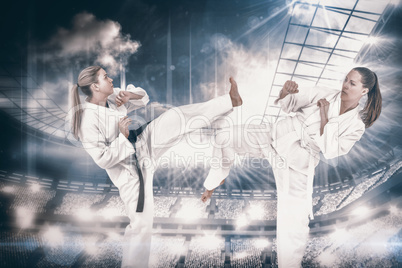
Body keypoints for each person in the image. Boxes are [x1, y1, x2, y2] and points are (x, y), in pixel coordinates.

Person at [200, 67, 381, 267]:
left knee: (294, 221)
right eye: (346, 79)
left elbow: (330, 150)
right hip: (276, 134)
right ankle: (214, 180)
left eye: (352, 83)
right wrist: (287, 92)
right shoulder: (325, 93)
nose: (345, 85)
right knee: (224, 137)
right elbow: (290, 105)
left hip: (299, 160)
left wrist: (324, 115)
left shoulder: (356, 125)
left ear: (364, 91)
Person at [68, 66, 243, 268]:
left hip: (142, 142)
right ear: (95, 86)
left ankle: (230, 100)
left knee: (176, 117)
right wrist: (122, 137)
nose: (111, 79)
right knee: (141, 226)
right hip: (130, 172)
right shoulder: (87, 121)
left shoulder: (111, 97)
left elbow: (143, 97)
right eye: (105, 77)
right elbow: (102, 159)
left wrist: (129, 95)